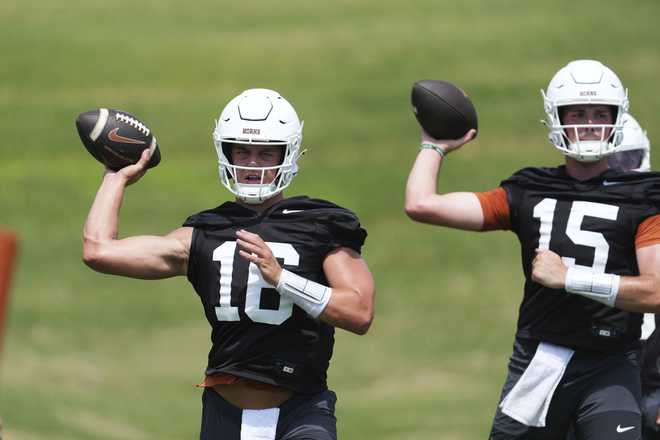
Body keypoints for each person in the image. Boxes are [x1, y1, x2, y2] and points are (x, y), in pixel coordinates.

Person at [83, 88, 375, 440]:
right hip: (224, 414)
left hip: (301, 411)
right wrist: (116, 178)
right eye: (243, 150)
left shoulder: (319, 223)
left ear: (288, 153)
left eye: (265, 153)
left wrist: (283, 278)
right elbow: (99, 251)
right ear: (226, 151)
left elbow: (359, 312)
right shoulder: (205, 231)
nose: (252, 163)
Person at [405, 59, 660, 439]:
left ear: (616, 118)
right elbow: (422, 204)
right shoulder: (529, 190)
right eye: (577, 113)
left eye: (598, 113)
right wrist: (434, 146)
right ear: (556, 117)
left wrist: (570, 278)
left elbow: (655, 290)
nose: (589, 124)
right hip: (541, 359)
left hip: (611, 364)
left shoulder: (643, 197)